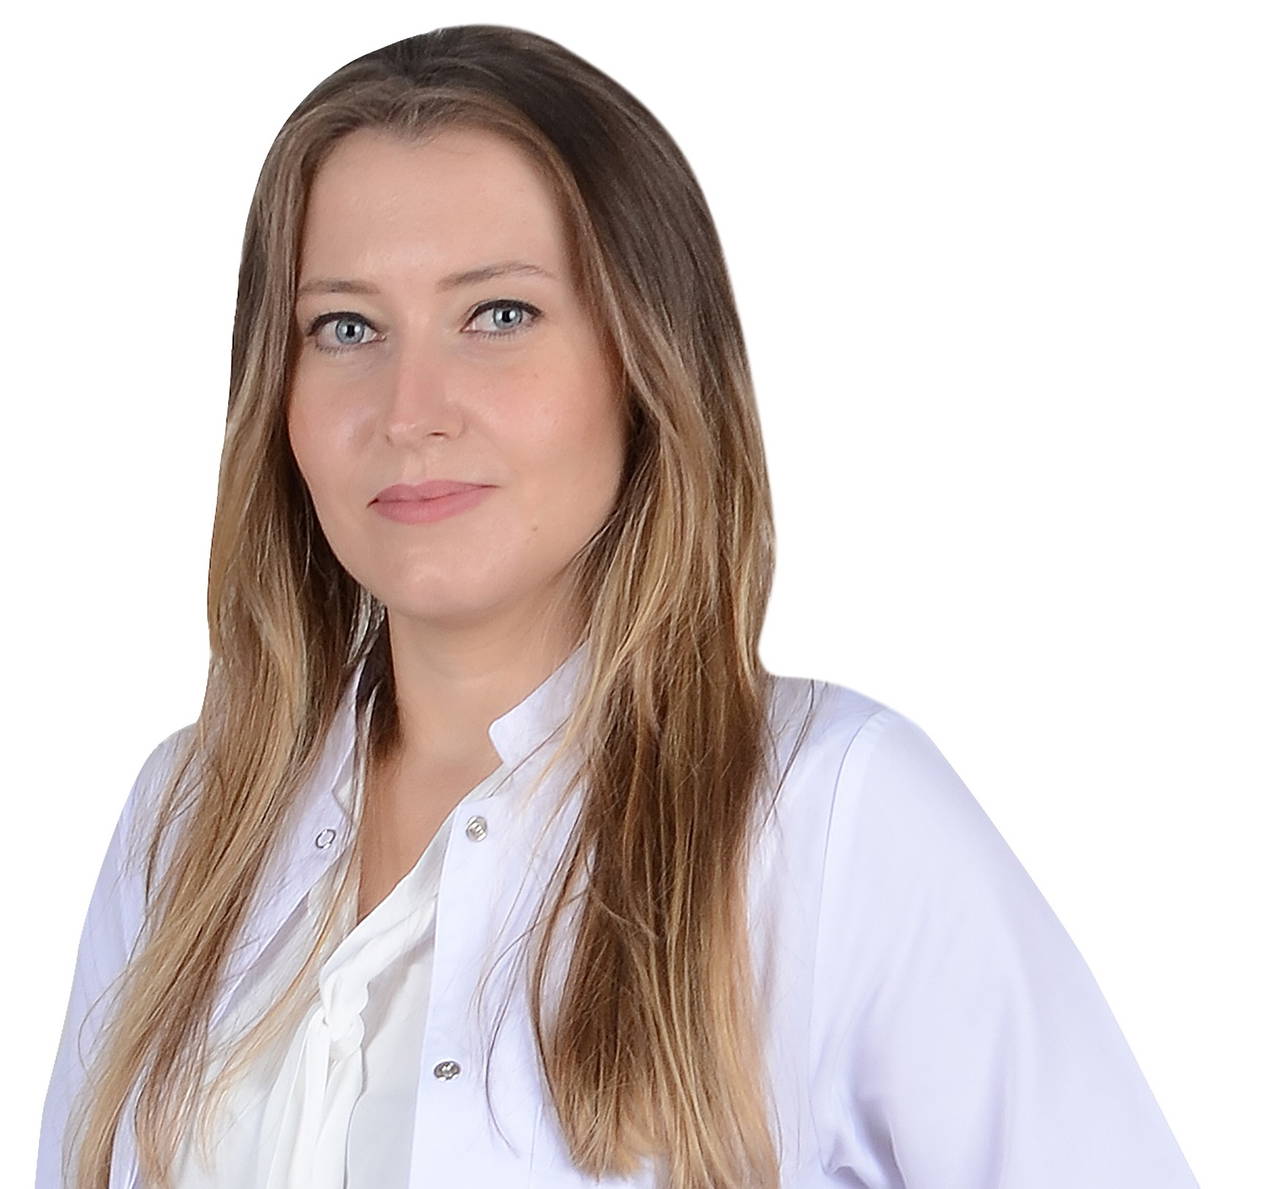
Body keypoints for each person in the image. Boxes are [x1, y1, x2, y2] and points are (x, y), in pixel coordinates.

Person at [35, 23, 1200, 1189]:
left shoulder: (829, 816)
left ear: (643, 359)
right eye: (347, 327)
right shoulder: (188, 820)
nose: (410, 408)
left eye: (497, 314)